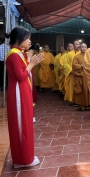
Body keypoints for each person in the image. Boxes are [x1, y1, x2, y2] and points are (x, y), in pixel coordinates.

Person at [6, 26, 44, 168]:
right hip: (18, 94)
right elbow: (21, 75)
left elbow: (24, 71)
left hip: (23, 91)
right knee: (22, 124)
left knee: (26, 123)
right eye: (27, 38)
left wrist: (29, 60)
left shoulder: (19, 53)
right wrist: (32, 63)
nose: (29, 41)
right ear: (18, 39)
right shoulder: (14, 54)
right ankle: (22, 160)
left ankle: (26, 156)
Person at [72, 43, 89, 111]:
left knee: (88, 91)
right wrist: (80, 66)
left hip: (88, 76)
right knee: (81, 91)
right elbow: (74, 65)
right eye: (82, 47)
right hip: (80, 76)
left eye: (85, 47)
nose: (84, 48)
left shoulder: (89, 56)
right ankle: (82, 105)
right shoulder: (76, 56)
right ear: (80, 48)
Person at [27, 45, 40, 123]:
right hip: (26, 76)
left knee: (30, 95)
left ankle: (31, 115)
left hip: (30, 74)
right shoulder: (24, 54)